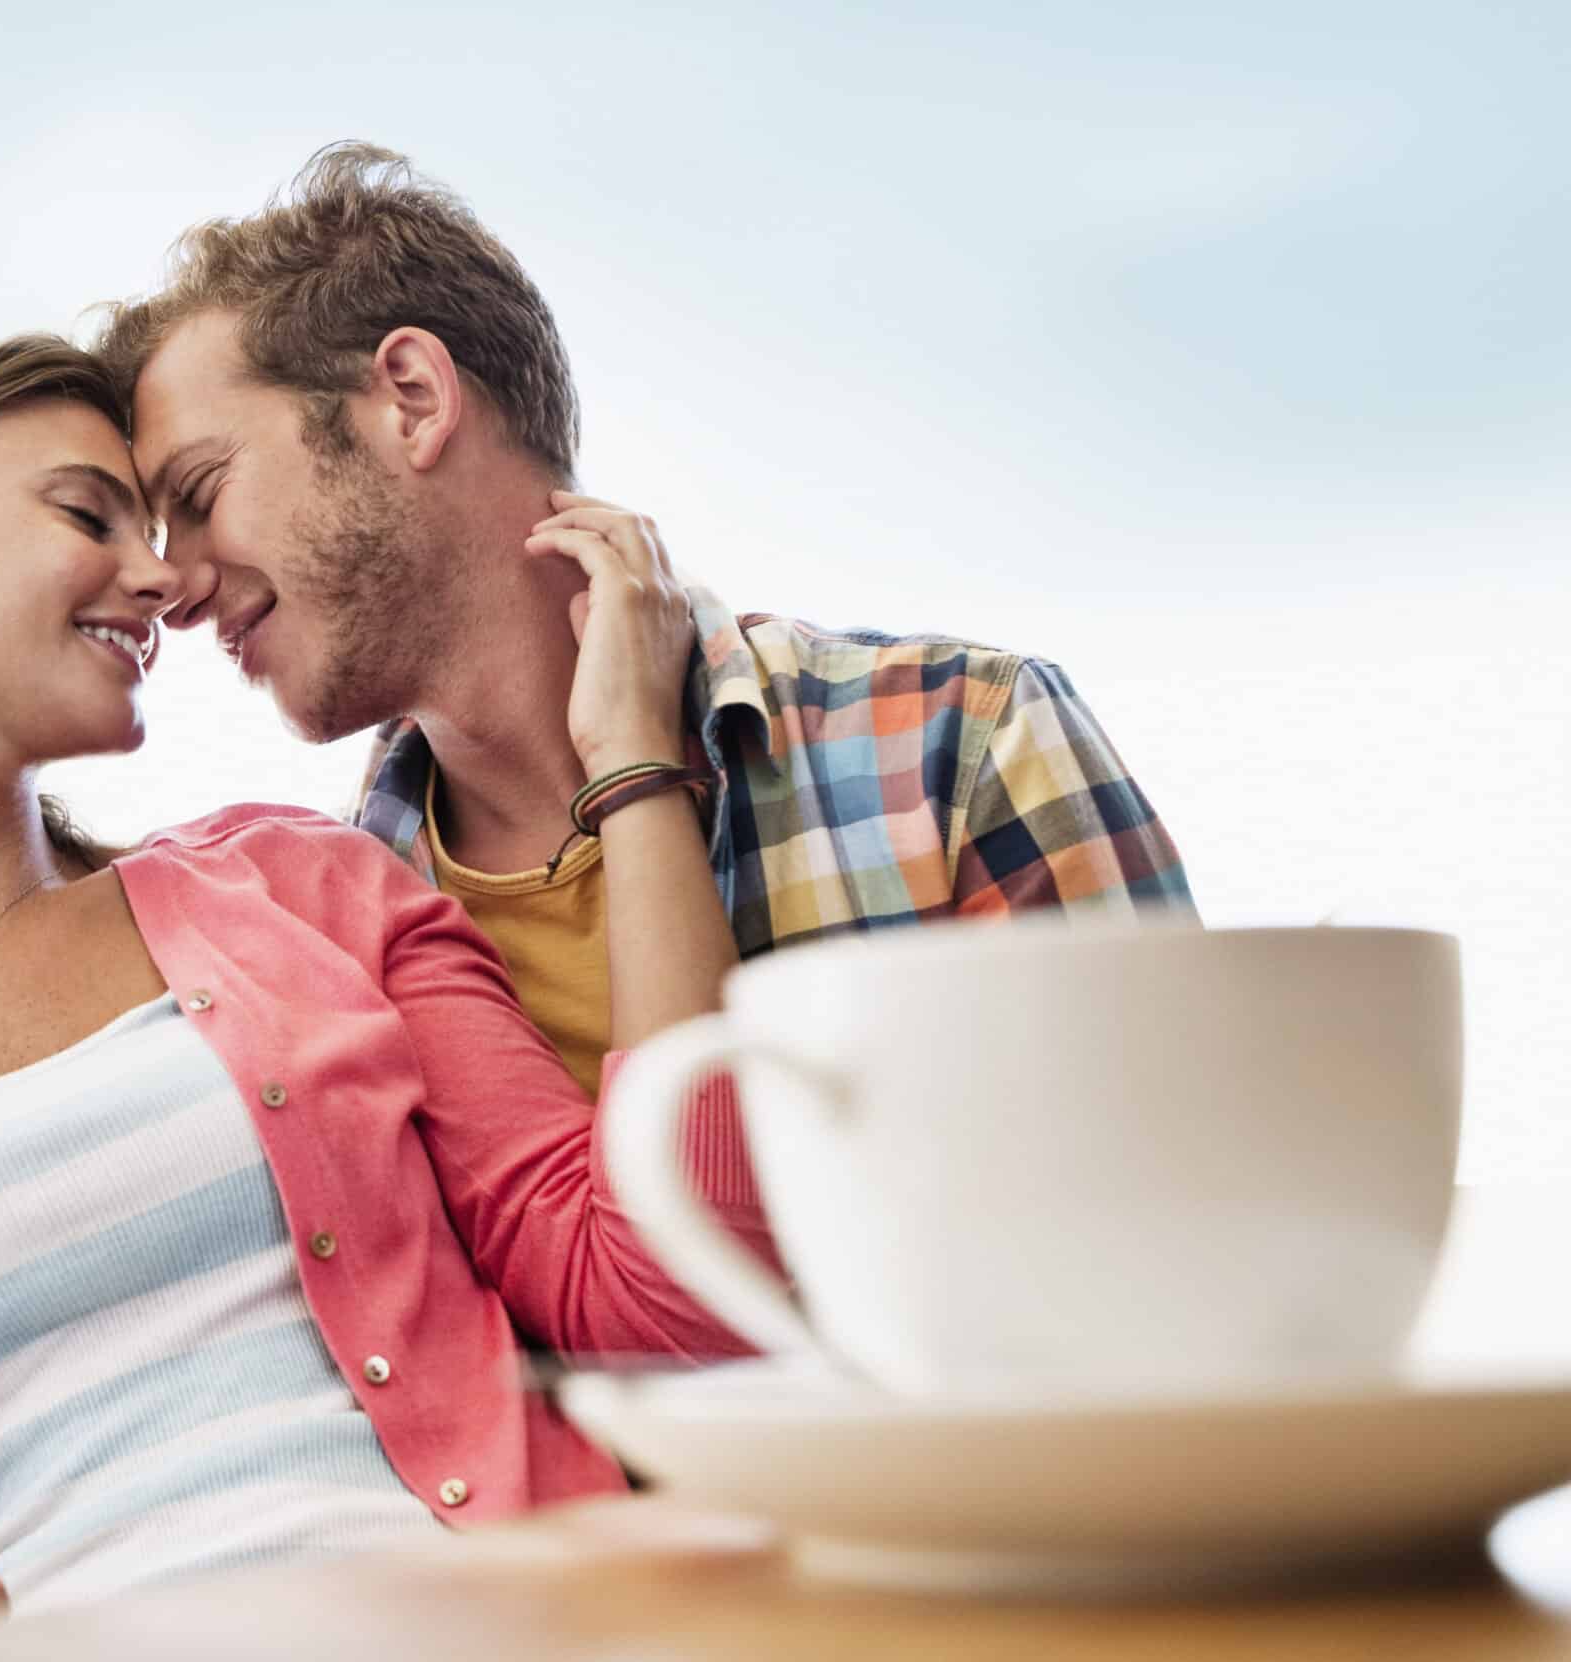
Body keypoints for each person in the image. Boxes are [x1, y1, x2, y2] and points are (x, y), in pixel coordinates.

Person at [0, 335, 776, 1662]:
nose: (163, 578)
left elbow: (668, 1299)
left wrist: (636, 765)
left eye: (163, 527)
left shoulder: (306, 882)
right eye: (89, 516)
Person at [97, 144, 1193, 1098]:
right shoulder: (331, 942)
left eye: (198, 495)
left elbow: (1188, 1194)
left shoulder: (957, 747)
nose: (175, 585)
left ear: (413, 400)